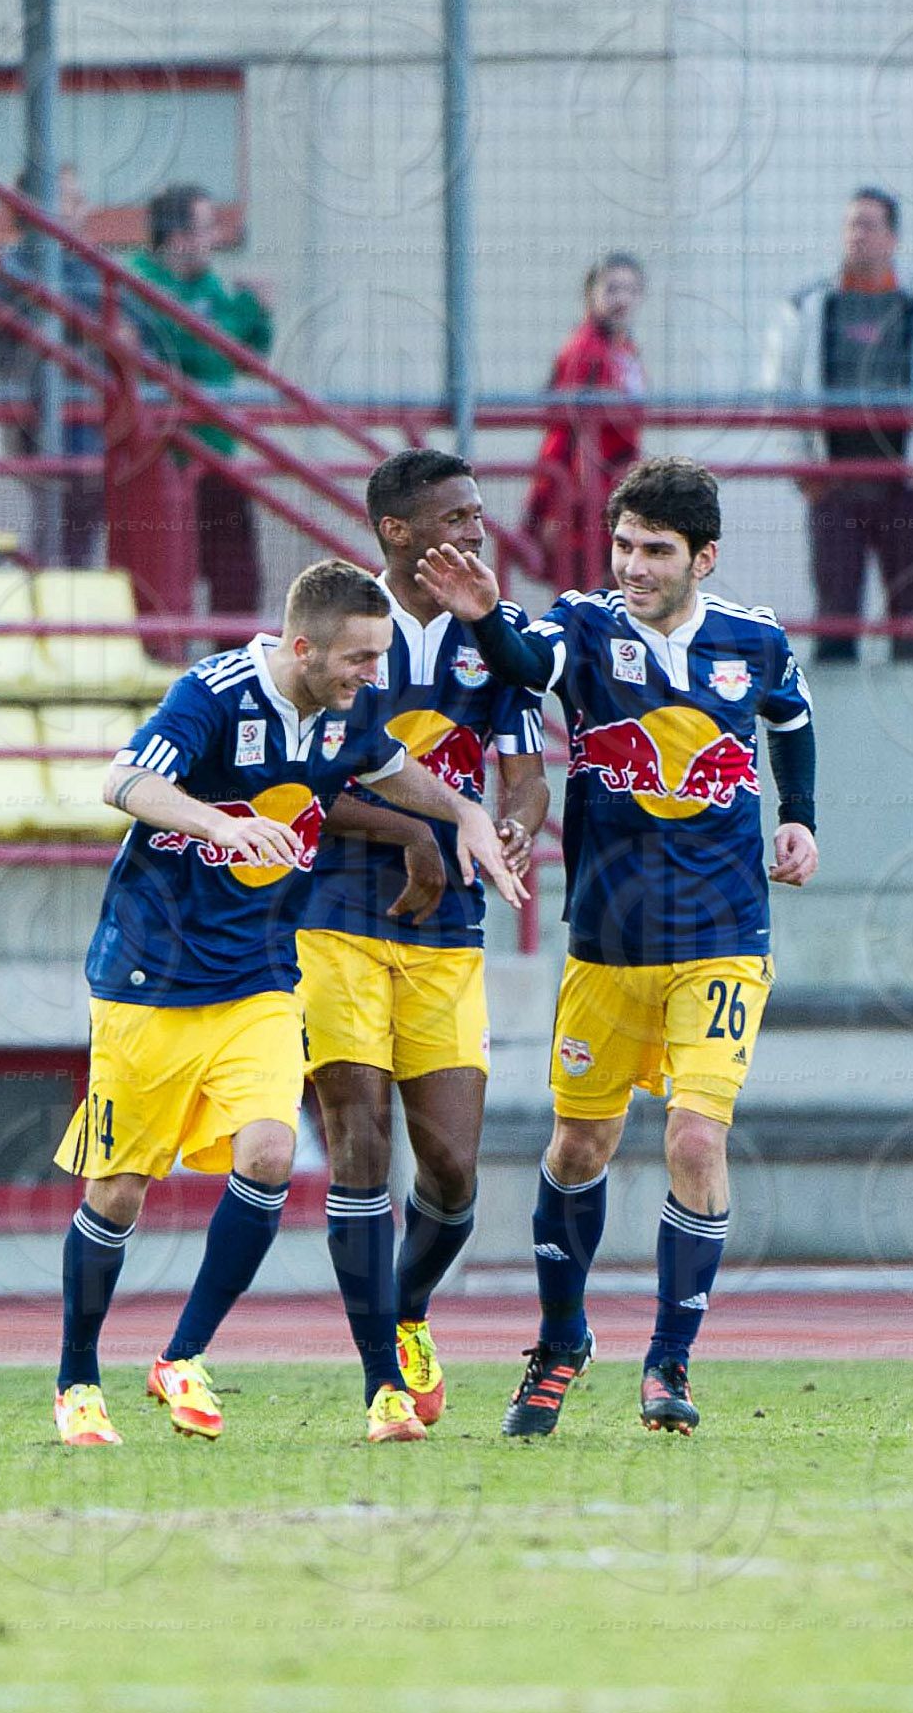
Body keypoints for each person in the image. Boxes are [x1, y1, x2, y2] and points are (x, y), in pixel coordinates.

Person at [49, 559, 524, 1451]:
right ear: (303, 648)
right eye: (359, 659)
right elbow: (123, 781)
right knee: (118, 1190)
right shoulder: (215, 693)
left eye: (380, 658)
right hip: (150, 974)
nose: (373, 676)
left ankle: (181, 1357)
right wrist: (218, 822)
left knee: (269, 1154)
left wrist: (462, 813)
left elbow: (393, 769)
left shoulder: (348, 708)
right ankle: (77, 1378)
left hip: (261, 973)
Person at [410, 455, 818, 1438]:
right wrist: (483, 616)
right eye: (623, 545)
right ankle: (561, 1342)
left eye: (656, 550)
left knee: (695, 1139)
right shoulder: (587, 627)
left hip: (724, 936)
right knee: (577, 1147)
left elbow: (793, 717)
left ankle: (670, 1362)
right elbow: (523, 662)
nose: (633, 565)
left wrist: (800, 815)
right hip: (608, 941)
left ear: (703, 558)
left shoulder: (755, 640)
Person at [297, 450, 551, 1433]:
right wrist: (413, 834)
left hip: (448, 931)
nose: (477, 532)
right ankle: (381, 1380)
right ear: (396, 532)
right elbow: (298, 780)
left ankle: (403, 1310)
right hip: (334, 915)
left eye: (480, 514)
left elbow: (525, 773)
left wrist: (515, 825)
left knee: (449, 1170)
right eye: (456, 517)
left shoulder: (494, 633)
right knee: (361, 1144)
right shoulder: (343, 628)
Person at [762, 187, 913, 664]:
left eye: (869, 225)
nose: (857, 234)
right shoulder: (808, 305)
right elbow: (779, 390)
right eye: (851, 224)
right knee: (835, 619)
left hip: (906, 487)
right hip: (834, 487)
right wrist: (802, 468)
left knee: (912, 622)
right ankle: (831, 713)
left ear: (893, 237)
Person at [130, 183, 275, 616]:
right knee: (165, 578)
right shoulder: (140, 282)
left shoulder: (209, 285)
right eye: (207, 227)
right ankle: (161, 653)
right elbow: (193, 346)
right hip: (164, 458)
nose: (215, 238)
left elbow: (248, 354)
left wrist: (260, 312)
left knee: (238, 576)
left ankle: (231, 656)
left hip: (215, 456)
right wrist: (244, 311)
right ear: (178, 238)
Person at [0, 164, 111, 567]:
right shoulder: (15, 265)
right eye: (72, 200)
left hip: (89, 415)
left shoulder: (85, 262)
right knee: (61, 521)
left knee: (79, 527)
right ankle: (53, 596)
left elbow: (127, 319)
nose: (84, 210)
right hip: (45, 414)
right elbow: (60, 319)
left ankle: (64, 595)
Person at [521, 252, 647, 584]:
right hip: (586, 502)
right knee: (589, 592)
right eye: (612, 289)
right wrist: (545, 508)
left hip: (616, 493)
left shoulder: (624, 350)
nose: (622, 299)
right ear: (591, 294)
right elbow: (563, 433)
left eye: (631, 290)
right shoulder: (585, 350)